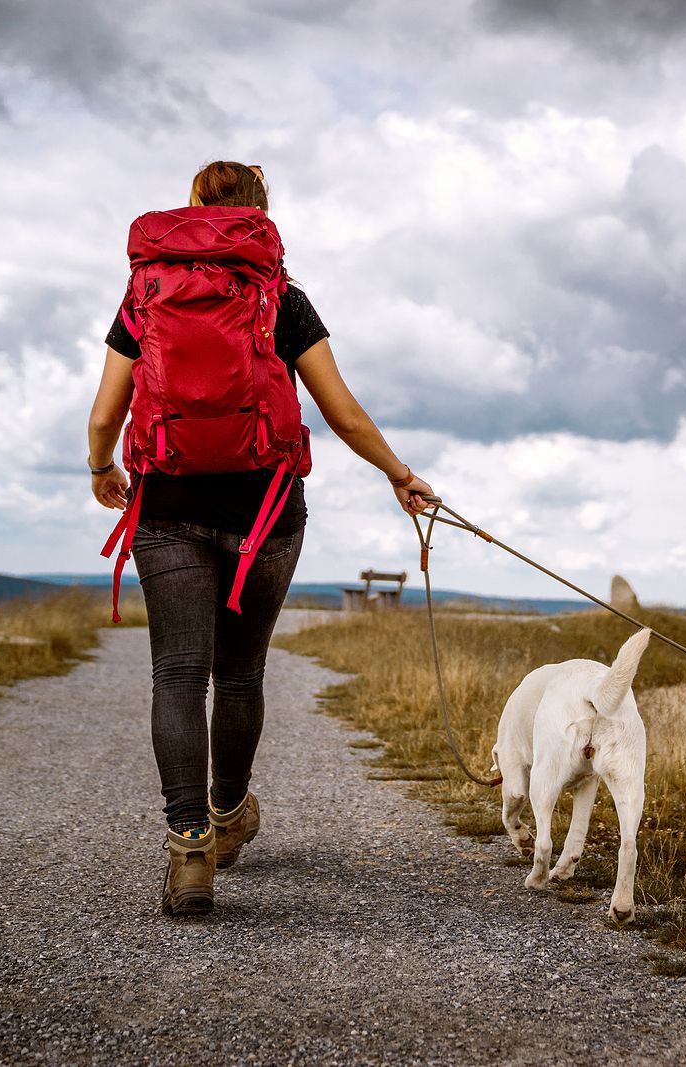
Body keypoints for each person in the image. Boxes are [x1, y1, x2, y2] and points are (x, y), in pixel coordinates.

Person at [85, 161, 433, 915]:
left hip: (167, 506)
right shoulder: (280, 295)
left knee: (178, 674)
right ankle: (229, 810)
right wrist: (399, 474)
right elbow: (339, 411)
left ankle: (187, 849)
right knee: (238, 674)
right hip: (267, 512)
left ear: (192, 209)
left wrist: (99, 466)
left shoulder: (146, 291)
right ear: (259, 215)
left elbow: (107, 410)